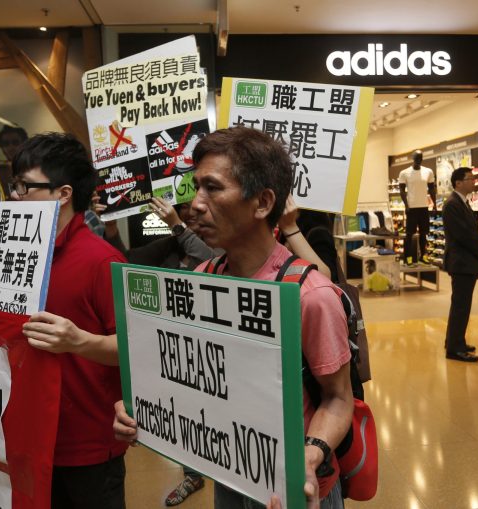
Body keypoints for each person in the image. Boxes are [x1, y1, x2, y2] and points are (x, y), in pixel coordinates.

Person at [113, 127, 353, 509]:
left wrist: (309, 457)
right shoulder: (201, 278)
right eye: (196, 187)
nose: (195, 204)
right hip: (231, 474)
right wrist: (141, 405)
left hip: (294, 488)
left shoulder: (311, 296)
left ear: (262, 202)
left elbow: (339, 398)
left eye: (213, 188)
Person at [12, 132, 129, 508]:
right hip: (31, 435)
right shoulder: (16, 254)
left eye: (24, 187)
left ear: (63, 194)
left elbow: (136, 348)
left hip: (88, 445)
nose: (15, 196)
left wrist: (79, 341)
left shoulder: (101, 261)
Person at [128, 195, 216, 506]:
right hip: (176, 350)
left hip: (215, 351)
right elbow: (125, 258)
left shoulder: (221, 246)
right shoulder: (169, 246)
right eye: (183, 213)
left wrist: (179, 228)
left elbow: (210, 260)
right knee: (187, 414)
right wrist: (110, 226)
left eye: (195, 213)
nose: (191, 216)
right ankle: (193, 474)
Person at [443, 167, 478, 363]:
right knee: (461, 306)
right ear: (458, 183)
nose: (474, 182)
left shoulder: (462, 203)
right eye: (470, 179)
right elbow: (462, 235)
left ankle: (455, 341)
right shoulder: (452, 205)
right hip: (461, 262)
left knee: (462, 305)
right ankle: (454, 349)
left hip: (466, 261)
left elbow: (471, 230)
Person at [398, 149, 436, 265]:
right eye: (417, 158)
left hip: (423, 207)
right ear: (413, 159)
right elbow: (402, 190)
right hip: (412, 207)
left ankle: (423, 256)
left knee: (424, 233)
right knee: (409, 234)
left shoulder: (428, 171)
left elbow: (431, 188)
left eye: (421, 158)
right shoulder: (404, 173)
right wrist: (406, 205)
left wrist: (434, 204)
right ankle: (408, 258)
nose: (419, 160)